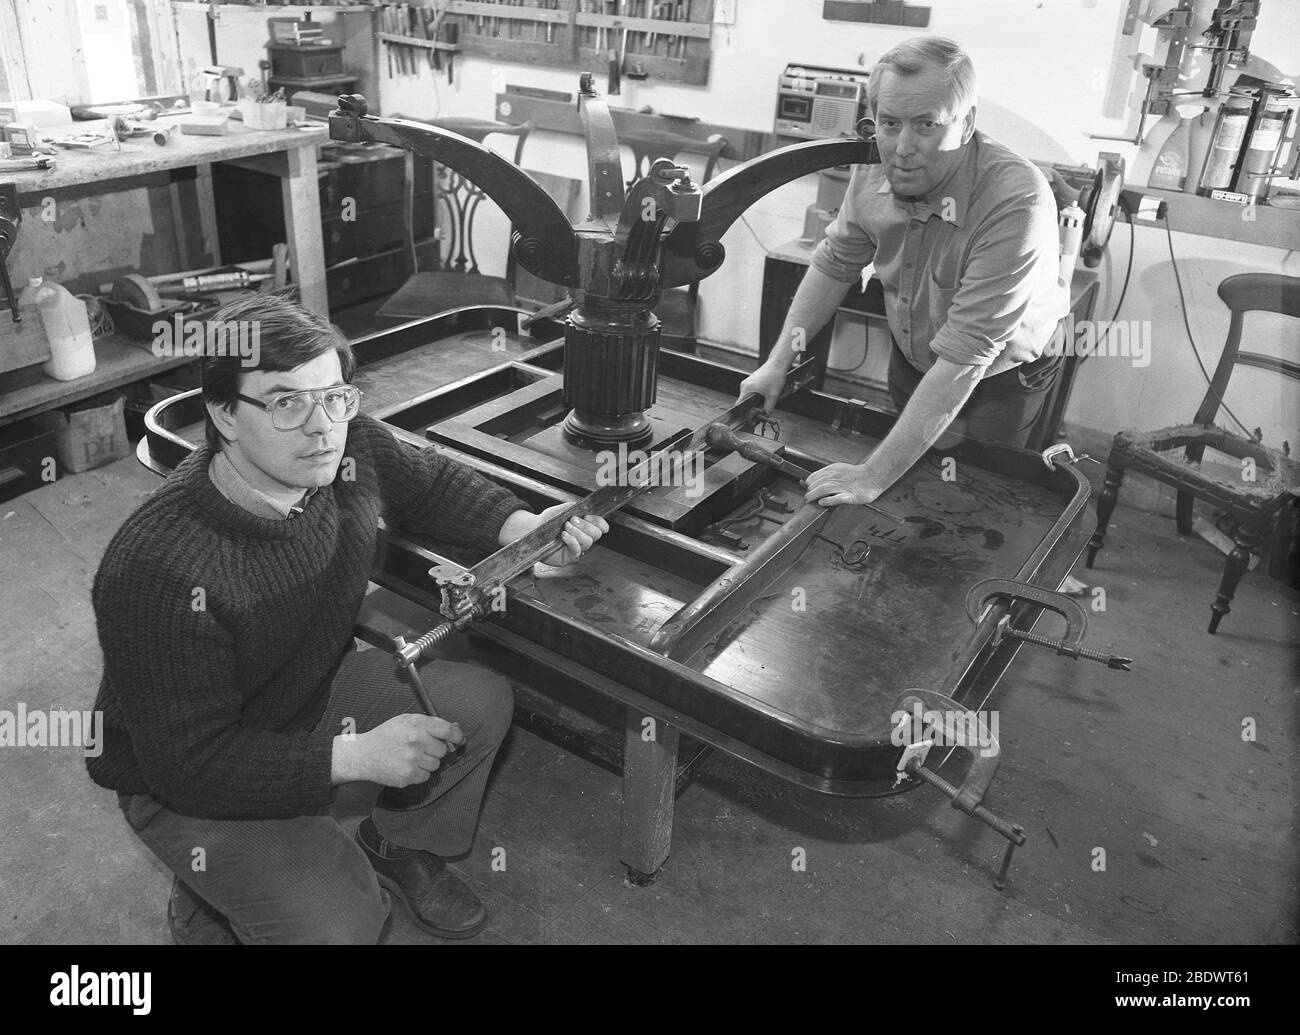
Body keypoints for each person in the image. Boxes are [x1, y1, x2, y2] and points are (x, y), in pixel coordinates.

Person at [87, 293, 607, 944]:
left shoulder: (346, 447)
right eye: (285, 402)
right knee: (344, 920)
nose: (321, 426)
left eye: (334, 395)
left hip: (296, 694)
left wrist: (525, 529)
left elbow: (432, 483)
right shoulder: (159, 569)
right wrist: (355, 755)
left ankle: (398, 843)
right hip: (181, 775)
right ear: (223, 414)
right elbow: (188, 763)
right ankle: (204, 888)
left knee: (477, 703)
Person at [740, 35, 1069, 509]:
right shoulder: (876, 165)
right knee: (908, 490)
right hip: (916, 355)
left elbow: (966, 356)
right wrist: (777, 362)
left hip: (1000, 374)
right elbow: (835, 264)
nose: (902, 148)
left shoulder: (1016, 200)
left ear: (967, 122)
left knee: (964, 502)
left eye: (927, 125)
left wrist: (871, 474)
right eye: (890, 123)